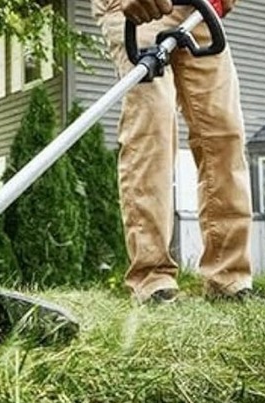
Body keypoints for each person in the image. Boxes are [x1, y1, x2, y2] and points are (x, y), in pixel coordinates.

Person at [91, 0, 254, 304]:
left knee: (224, 131)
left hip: (199, 10)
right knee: (153, 123)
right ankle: (152, 280)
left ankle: (229, 279)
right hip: (135, 8)